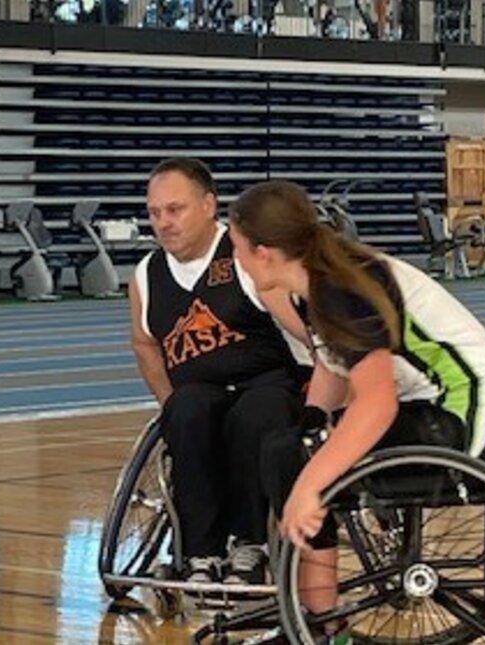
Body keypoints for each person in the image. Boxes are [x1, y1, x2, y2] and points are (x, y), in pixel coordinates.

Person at [227, 180, 485, 640]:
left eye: (238, 249)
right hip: (434, 405)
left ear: (264, 251)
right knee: (287, 446)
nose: (236, 262)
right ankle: (317, 615)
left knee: (299, 463)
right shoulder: (317, 281)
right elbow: (333, 367)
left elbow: (378, 403)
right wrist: (308, 425)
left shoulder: (340, 289)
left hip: (466, 412)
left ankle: (321, 621)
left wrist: (309, 483)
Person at [129, 158, 309, 585]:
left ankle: (250, 545)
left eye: (176, 210)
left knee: (256, 414)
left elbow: (301, 330)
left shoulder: (250, 255)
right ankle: (199, 552)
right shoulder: (146, 275)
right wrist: (169, 402)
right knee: (186, 412)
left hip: (266, 381)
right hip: (201, 387)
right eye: (155, 213)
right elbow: (145, 344)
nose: (164, 223)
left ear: (209, 205)